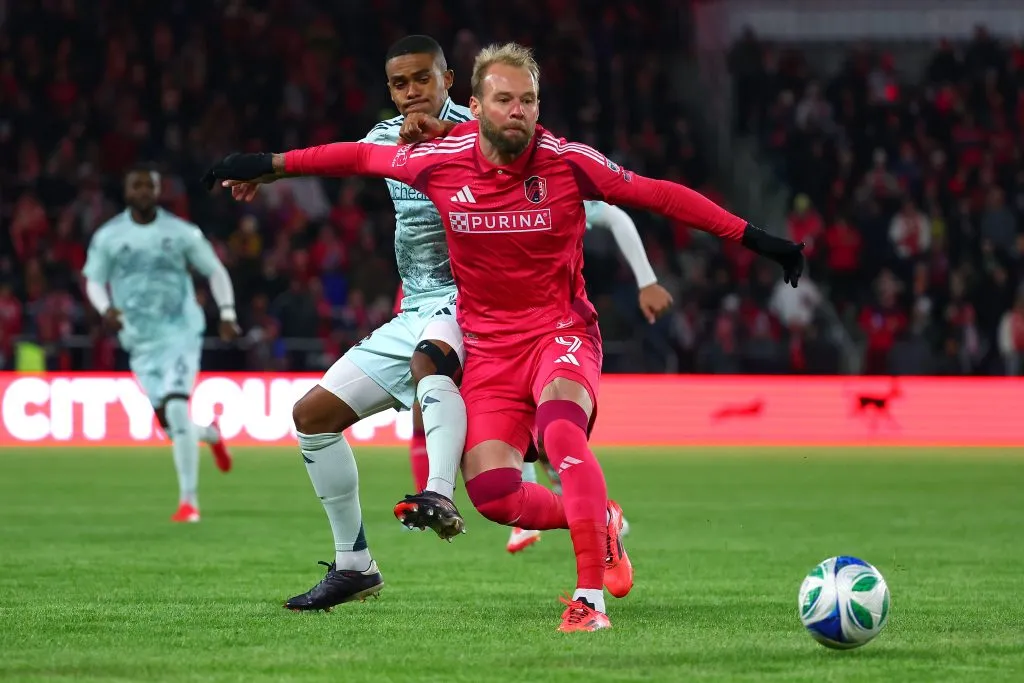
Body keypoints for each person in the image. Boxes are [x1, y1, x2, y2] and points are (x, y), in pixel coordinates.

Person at [203, 42, 803, 632]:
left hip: (559, 334)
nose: (517, 111)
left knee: (559, 430)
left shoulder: (568, 161)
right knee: (493, 494)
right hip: (489, 348)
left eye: (529, 101)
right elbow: (353, 159)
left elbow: (657, 195)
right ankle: (597, 519)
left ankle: (588, 600)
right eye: (505, 99)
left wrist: (757, 239)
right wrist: (270, 163)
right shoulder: (437, 159)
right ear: (479, 104)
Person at [217, 35, 476, 612]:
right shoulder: (384, 137)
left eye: (422, 79)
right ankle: (355, 565)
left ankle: (439, 494)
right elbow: (337, 159)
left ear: (448, 79)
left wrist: (446, 137)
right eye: (399, 83)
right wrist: (270, 173)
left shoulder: (482, 131)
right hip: (417, 308)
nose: (411, 92)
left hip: (474, 303)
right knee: (312, 416)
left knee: (495, 459)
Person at [82, 166, 238, 523]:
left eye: (148, 185)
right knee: (171, 424)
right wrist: (106, 309)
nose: (141, 191)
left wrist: (227, 312)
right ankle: (211, 435)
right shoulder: (109, 236)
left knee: (178, 408)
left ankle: (189, 503)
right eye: (135, 185)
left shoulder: (181, 232)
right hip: (140, 340)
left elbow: (213, 269)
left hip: (180, 332)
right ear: (126, 191)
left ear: (157, 190)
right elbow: (93, 280)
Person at [506, 200, 659, 554]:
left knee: (549, 432)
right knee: (526, 430)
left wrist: (647, 280)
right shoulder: (470, 182)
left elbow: (615, 215)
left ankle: (592, 514)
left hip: (555, 332)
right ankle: (584, 512)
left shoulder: (552, 183)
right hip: (499, 327)